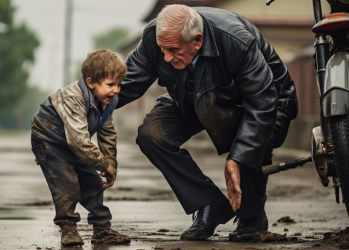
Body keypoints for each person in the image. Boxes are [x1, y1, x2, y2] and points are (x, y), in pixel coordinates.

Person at [117, 5, 298, 241]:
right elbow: (122, 85)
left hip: (264, 100)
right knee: (152, 134)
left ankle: (252, 217)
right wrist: (82, 106)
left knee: (248, 141)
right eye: (163, 50)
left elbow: (261, 103)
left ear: (197, 40)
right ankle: (210, 203)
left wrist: (237, 157)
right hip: (193, 96)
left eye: (173, 50)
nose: (167, 58)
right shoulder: (154, 38)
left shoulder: (236, 41)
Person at [31, 49, 131, 246]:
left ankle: (102, 229)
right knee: (67, 183)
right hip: (49, 140)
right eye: (110, 85)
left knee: (92, 182)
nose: (116, 90)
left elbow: (107, 133)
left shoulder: (109, 101)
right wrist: (102, 164)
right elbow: (78, 142)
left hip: (73, 142)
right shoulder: (72, 98)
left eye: (119, 84)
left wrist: (110, 164)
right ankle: (68, 229)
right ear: (91, 82)